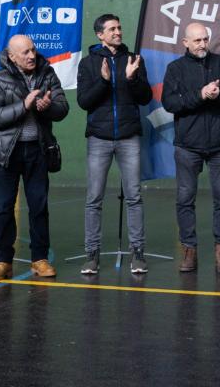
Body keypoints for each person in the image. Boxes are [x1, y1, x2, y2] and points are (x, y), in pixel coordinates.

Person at [0, 35, 68, 281]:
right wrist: (24, 105)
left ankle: (40, 259)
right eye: (25, 52)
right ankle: (3, 261)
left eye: (33, 50)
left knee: (39, 206)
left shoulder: (47, 73)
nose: (32, 56)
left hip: (38, 150)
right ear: (12, 56)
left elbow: (62, 108)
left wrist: (48, 107)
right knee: (3, 207)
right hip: (6, 151)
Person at [162, 23, 220, 274]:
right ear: (185, 43)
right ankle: (189, 250)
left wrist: (219, 92)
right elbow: (170, 103)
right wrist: (200, 94)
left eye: (205, 39)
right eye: (197, 40)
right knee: (185, 200)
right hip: (188, 146)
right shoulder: (175, 69)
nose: (202, 44)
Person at [76, 14, 152, 275]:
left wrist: (132, 78)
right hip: (99, 138)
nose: (118, 32)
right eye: (112, 29)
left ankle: (137, 253)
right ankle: (92, 255)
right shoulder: (88, 63)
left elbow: (145, 98)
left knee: (134, 197)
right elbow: (84, 101)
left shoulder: (133, 60)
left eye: (119, 27)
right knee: (94, 199)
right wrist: (103, 81)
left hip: (129, 137)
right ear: (100, 35)